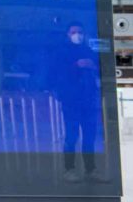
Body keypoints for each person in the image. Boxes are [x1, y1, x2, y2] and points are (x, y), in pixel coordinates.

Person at [56, 22, 105, 183]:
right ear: (68, 35)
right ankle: (69, 169)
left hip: (88, 100)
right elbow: (57, 75)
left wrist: (93, 67)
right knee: (72, 136)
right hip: (71, 101)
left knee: (90, 136)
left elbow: (99, 70)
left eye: (80, 32)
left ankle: (90, 169)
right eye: (74, 32)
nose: (78, 35)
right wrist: (75, 66)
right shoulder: (62, 53)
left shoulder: (89, 51)